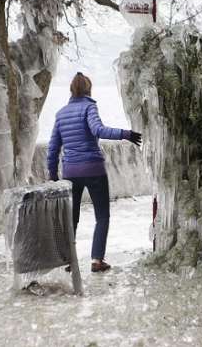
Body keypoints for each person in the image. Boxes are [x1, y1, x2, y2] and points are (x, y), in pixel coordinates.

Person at [47, 72, 142, 273]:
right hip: (93, 168)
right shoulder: (89, 107)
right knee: (102, 216)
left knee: (72, 217)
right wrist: (126, 134)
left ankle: (69, 260)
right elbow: (98, 130)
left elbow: (53, 147)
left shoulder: (61, 114)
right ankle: (97, 260)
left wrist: (53, 174)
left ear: (71, 90)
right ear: (88, 89)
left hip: (71, 171)